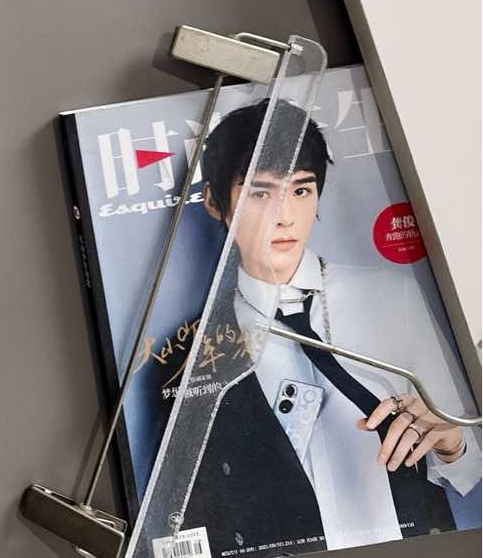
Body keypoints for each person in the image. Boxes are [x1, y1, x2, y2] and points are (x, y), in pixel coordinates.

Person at [172, 99, 480, 555]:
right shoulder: (195, 348)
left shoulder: (393, 297)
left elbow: (470, 467)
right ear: (216, 204)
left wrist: (452, 443)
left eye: (301, 190)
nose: (285, 216)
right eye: (260, 193)